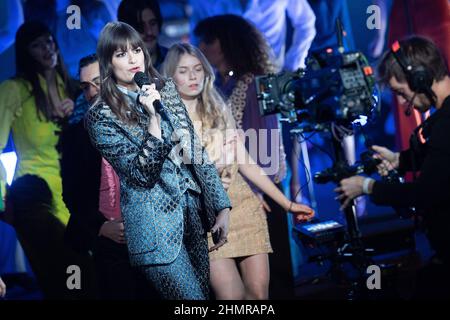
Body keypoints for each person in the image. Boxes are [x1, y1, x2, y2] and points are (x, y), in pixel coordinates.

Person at [85, 22, 232, 300]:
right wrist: (152, 118)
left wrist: (221, 205)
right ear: (108, 61)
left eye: (136, 50)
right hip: (154, 232)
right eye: (121, 54)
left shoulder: (163, 88)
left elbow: (195, 148)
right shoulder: (100, 116)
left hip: (192, 217)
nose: (132, 59)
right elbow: (141, 175)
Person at [162, 43, 314, 299]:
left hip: (243, 205)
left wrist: (287, 204)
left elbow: (245, 161)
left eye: (198, 69)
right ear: (171, 77)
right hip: (205, 218)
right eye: (184, 71)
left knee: (258, 295)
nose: (193, 77)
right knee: (231, 297)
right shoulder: (164, 120)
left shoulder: (217, 107)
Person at [336, 36, 450, 298]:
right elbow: (441, 158)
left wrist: (367, 187)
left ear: (420, 78)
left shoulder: (446, 122)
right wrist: (400, 159)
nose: (401, 103)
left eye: (401, 93)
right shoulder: (443, 120)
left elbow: (423, 193)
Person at [194, 14, 296, 299]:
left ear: (224, 44)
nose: (200, 46)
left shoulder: (254, 84)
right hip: (231, 196)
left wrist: (255, 191)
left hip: (260, 191)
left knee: (271, 278)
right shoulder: (216, 87)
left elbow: (264, 143)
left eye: (207, 40)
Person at [0, 21, 76, 226]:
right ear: (26, 53)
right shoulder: (13, 90)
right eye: (37, 45)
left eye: (49, 41)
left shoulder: (71, 88)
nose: (47, 48)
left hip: (74, 195)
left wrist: (78, 113)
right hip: (35, 198)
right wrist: (2, 201)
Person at [189, 0, 316, 71]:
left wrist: (293, 64)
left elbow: (305, 23)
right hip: (226, 77)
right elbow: (197, 36)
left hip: (273, 71)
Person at [118, 0, 168, 71]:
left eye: (152, 23)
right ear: (125, 30)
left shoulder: (174, 59)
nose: (149, 32)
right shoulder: (118, 68)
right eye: (140, 26)